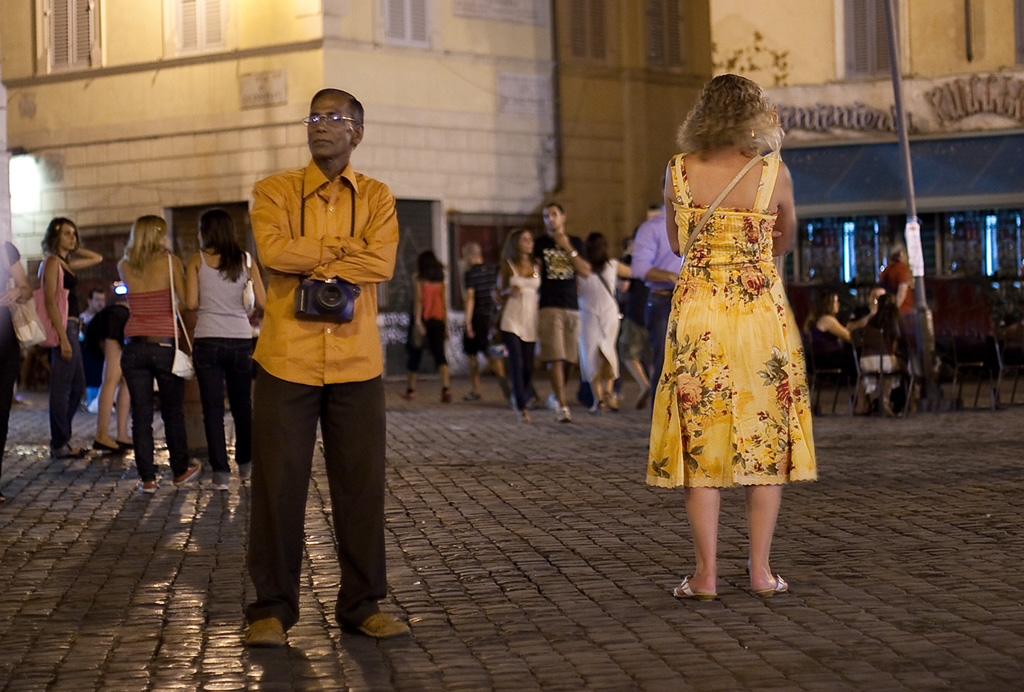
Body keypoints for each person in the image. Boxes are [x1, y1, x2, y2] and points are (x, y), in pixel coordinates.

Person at [244, 88, 407, 647]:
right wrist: (344, 254)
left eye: (335, 118)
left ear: (357, 131)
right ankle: (271, 608)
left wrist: (312, 251)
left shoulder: (379, 197)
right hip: (286, 358)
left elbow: (381, 261)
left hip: (357, 361)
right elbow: (272, 251)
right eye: (314, 116)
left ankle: (361, 604)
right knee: (276, 485)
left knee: (361, 488)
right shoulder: (274, 190)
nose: (321, 126)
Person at [647, 74, 816, 600]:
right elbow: (785, 238)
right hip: (759, 316)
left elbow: (677, 244)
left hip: (699, 316)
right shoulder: (773, 173)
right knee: (764, 435)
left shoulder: (678, 170)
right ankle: (762, 573)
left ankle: (705, 576)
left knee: (702, 444)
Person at [118, 215, 202, 494]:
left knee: (140, 415)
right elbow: (184, 302)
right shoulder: (170, 262)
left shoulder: (124, 266)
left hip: (133, 346)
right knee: (171, 412)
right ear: (157, 236)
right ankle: (179, 470)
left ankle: (148, 479)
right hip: (164, 345)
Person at [184, 208, 266, 491]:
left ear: (205, 231)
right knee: (243, 407)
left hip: (207, 340)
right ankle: (246, 465)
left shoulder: (197, 260)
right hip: (241, 339)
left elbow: (191, 303)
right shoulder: (245, 260)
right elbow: (262, 302)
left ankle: (220, 473)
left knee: (213, 410)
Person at [40, 217, 103, 459]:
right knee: (63, 387)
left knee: (77, 389)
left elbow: (96, 259)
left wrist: (75, 249)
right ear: (55, 236)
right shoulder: (53, 263)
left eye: (74, 233)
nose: (72, 238)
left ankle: (61, 439)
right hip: (64, 328)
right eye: (67, 233)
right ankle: (59, 443)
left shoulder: (64, 263)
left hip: (72, 329)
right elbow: (49, 301)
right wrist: (63, 339)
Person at [535, 202, 591, 422]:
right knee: (555, 357)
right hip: (549, 305)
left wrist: (568, 247)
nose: (550, 219)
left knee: (569, 360)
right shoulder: (540, 244)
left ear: (563, 217)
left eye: (554, 215)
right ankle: (562, 404)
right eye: (546, 216)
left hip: (571, 306)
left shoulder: (575, 242)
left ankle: (555, 396)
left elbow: (585, 271)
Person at [631, 202, 683, 408]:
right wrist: (671, 276)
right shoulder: (652, 227)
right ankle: (660, 431)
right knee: (664, 366)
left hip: (694, 301)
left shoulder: (701, 221)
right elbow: (639, 267)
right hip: (663, 300)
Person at [577, 232, 631, 414]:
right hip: (609, 313)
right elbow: (634, 272)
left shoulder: (581, 269)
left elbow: (576, 292)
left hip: (588, 314)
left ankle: (598, 399)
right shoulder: (613, 265)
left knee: (590, 353)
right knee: (608, 350)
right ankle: (609, 391)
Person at [497, 229, 540, 423]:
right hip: (511, 320)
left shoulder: (537, 265)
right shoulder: (507, 266)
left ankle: (521, 392)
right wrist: (507, 291)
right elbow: (497, 295)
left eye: (530, 239)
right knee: (517, 361)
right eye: (525, 239)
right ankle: (521, 405)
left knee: (529, 365)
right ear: (516, 243)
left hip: (531, 320)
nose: (529, 242)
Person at [1, 241, 33, 503]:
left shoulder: (5, 249)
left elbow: (26, 289)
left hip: (4, 339)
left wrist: (16, 293)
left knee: (1, 411)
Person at [403, 250, 451, 403]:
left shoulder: (419, 278)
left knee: (415, 354)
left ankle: (411, 390)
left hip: (423, 319)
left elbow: (418, 301)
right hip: (438, 320)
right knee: (440, 355)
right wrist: (446, 326)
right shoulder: (440, 279)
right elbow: (443, 303)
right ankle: (445, 388)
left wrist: (417, 322)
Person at [85, 301, 132, 452]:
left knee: (124, 379)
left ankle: (121, 435)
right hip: (117, 318)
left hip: (111, 318)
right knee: (112, 377)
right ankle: (102, 435)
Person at [461, 242, 505, 401]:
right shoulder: (493, 270)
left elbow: (470, 297)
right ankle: (505, 385)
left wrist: (467, 322)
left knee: (473, 355)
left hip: (478, 317)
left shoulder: (470, 273)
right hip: (492, 318)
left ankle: (476, 389)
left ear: (469, 256)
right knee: (494, 352)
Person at [616, 231, 652, 409]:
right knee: (651, 355)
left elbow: (623, 287)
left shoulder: (632, 259)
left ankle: (643, 383)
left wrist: (624, 259)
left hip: (635, 311)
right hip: (654, 309)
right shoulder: (654, 256)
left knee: (628, 352)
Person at [80, 288, 107, 410]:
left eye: (102, 300)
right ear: (89, 301)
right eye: (97, 300)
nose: (100, 303)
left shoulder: (107, 319)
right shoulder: (82, 321)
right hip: (89, 361)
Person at [879, 246, 915, 316]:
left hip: (889, 308)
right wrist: (895, 310)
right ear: (901, 254)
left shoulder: (887, 269)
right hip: (903, 310)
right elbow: (901, 293)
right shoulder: (902, 269)